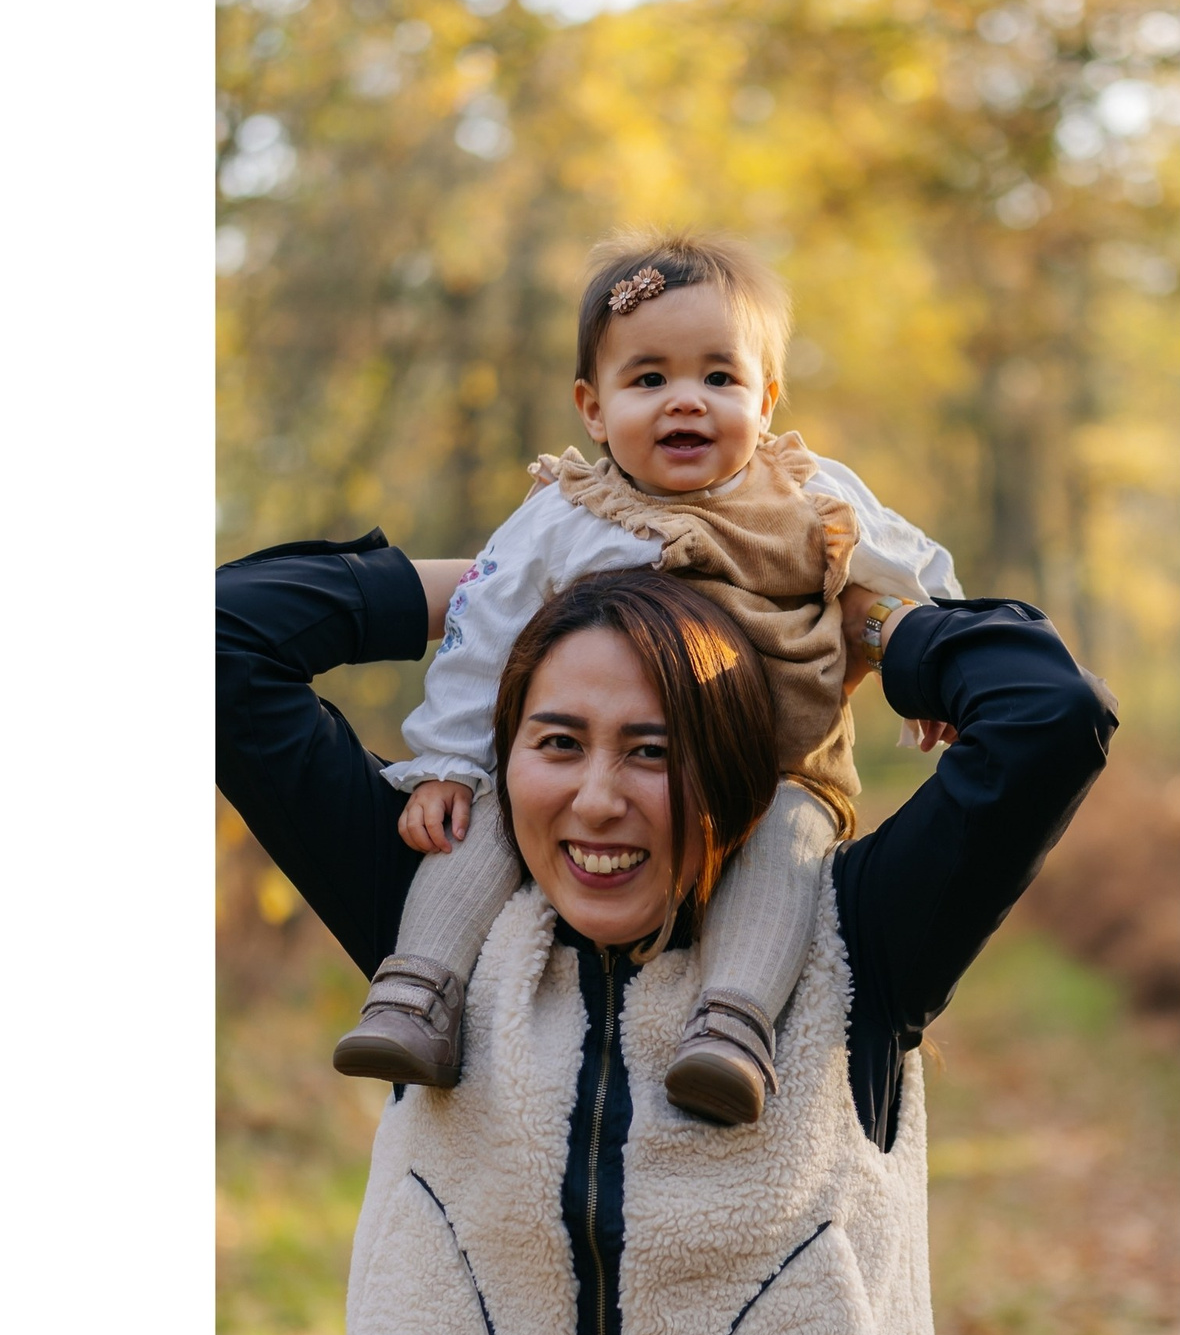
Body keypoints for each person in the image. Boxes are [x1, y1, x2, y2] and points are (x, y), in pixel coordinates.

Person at [216, 502, 1114, 1335]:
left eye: (655, 751)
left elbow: (1050, 714)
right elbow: (221, 635)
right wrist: (504, 580)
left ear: (732, 766)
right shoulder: (431, 923)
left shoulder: (862, 938)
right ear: (505, 755)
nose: (597, 801)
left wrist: (881, 623)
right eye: (558, 743)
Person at [336, 233, 956, 1127]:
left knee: (787, 850)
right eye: (649, 380)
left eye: (719, 378)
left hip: (784, 760)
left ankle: (732, 1031)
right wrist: (446, 762)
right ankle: (417, 991)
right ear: (593, 408)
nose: (686, 404)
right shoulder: (566, 515)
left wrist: (935, 666)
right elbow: (482, 626)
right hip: (604, 762)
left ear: (766, 396)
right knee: (493, 817)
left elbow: (911, 563)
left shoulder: (806, 494)